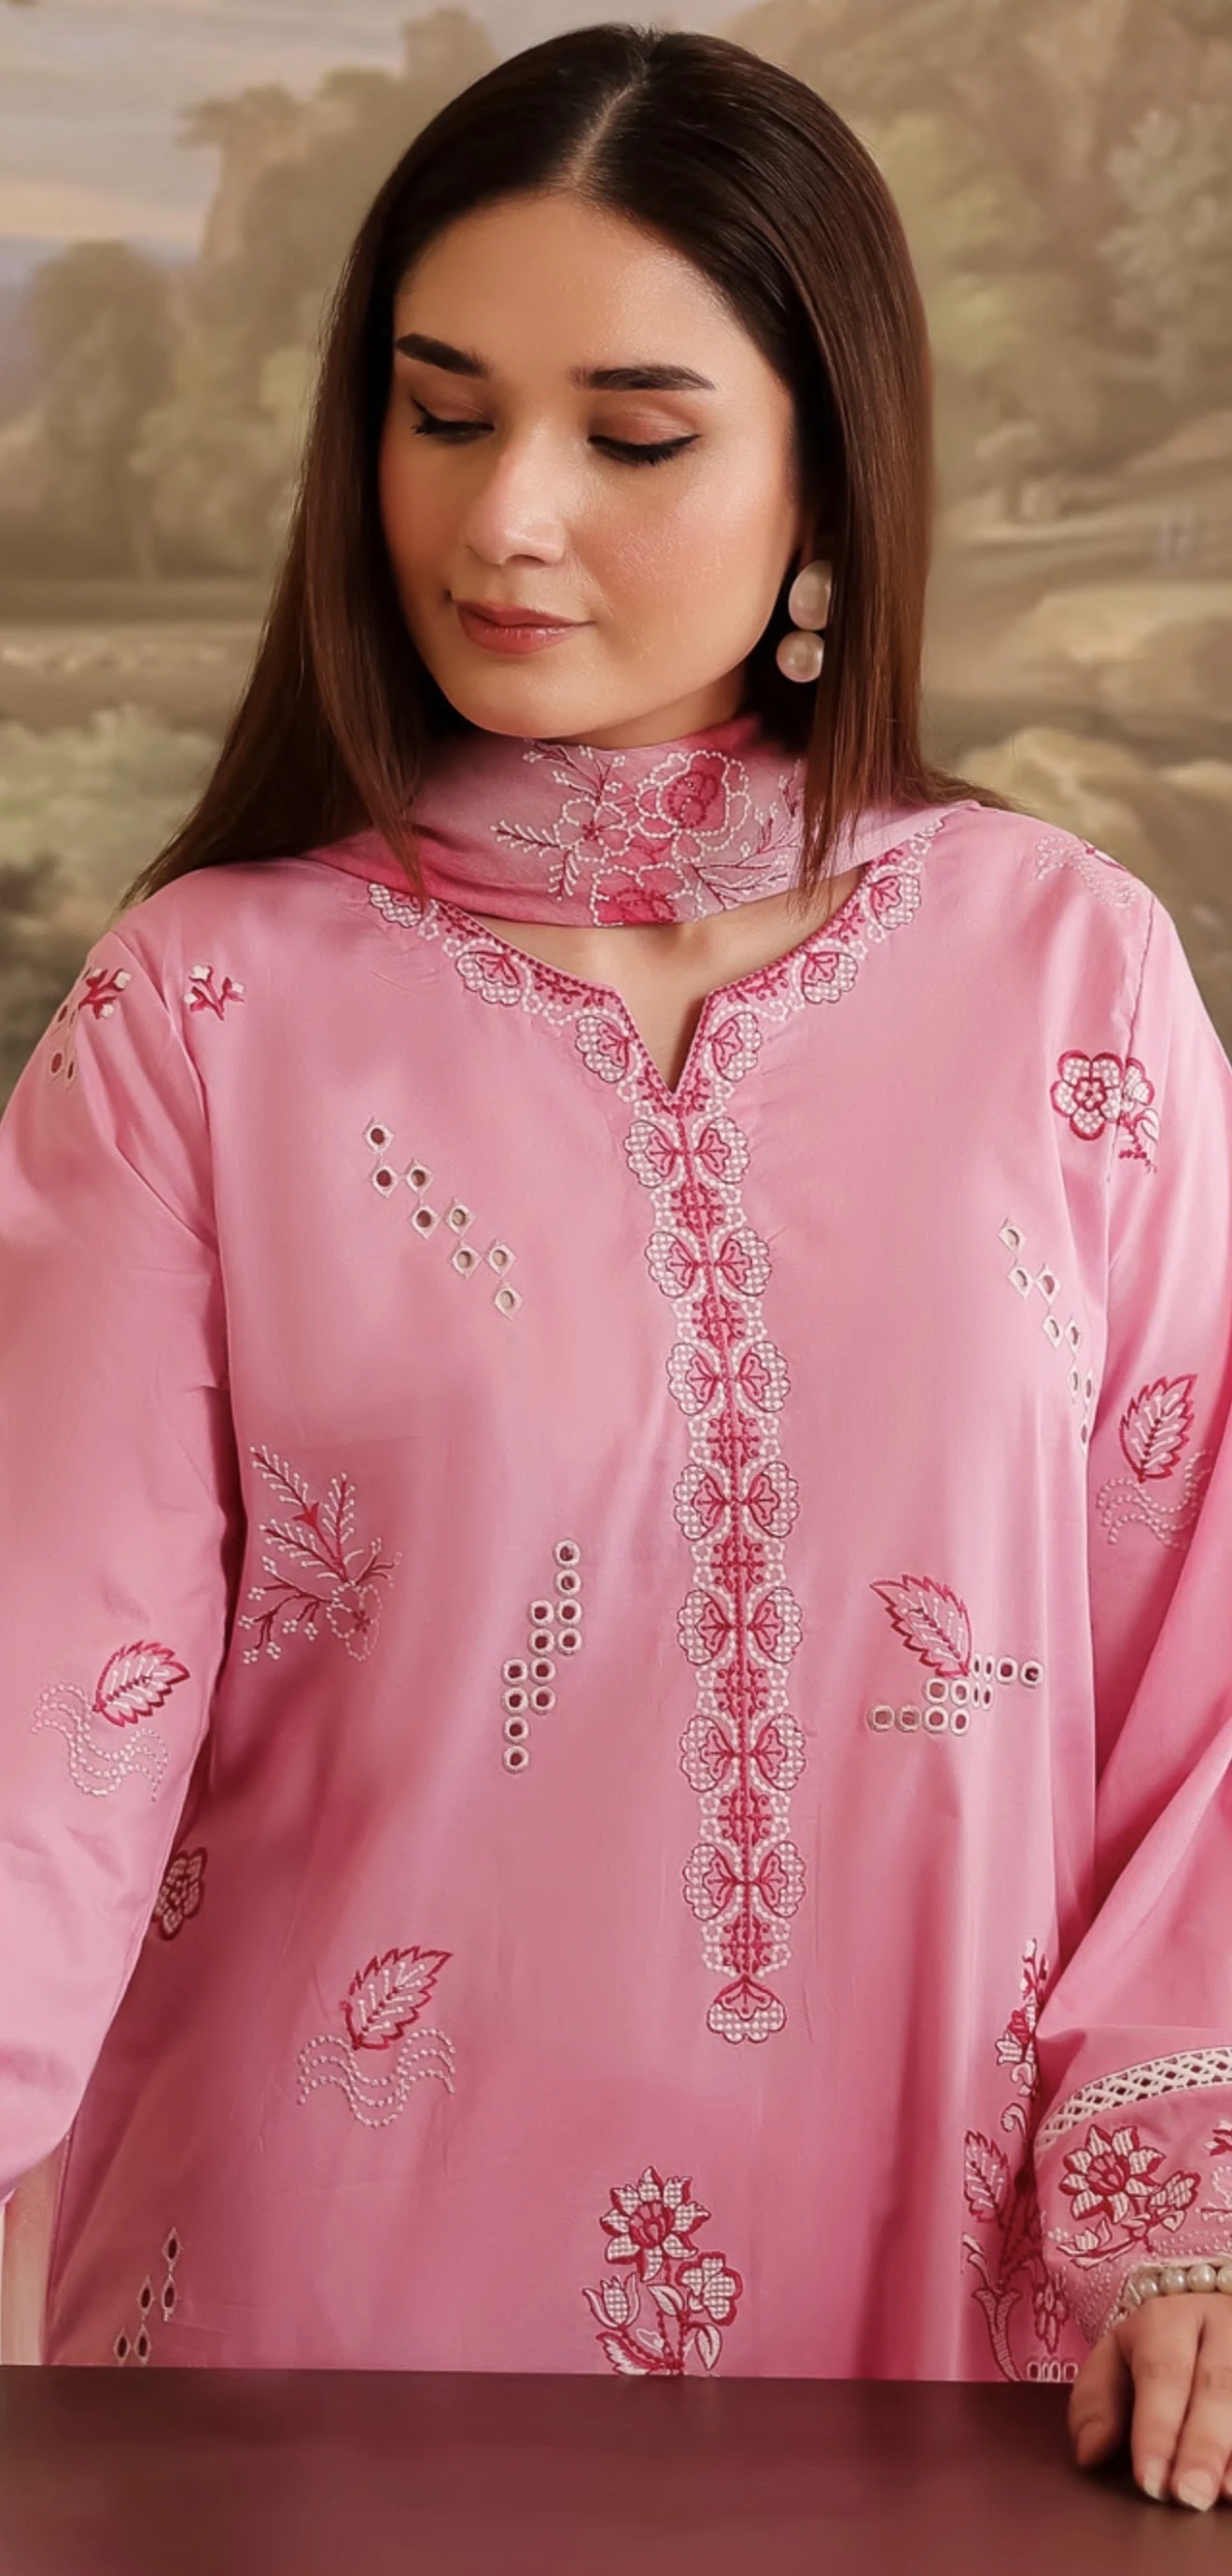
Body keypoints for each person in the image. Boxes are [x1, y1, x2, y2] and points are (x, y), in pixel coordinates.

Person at [1, 18, 1230, 2512]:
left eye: (633, 436)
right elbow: (37, 1720)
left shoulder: (1065, 974)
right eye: (441, 413)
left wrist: (1191, 2203)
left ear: (823, 483)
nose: (507, 515)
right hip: (301, 2373)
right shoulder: (206, 1017)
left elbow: (1204, 1642)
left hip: (959, 2373)